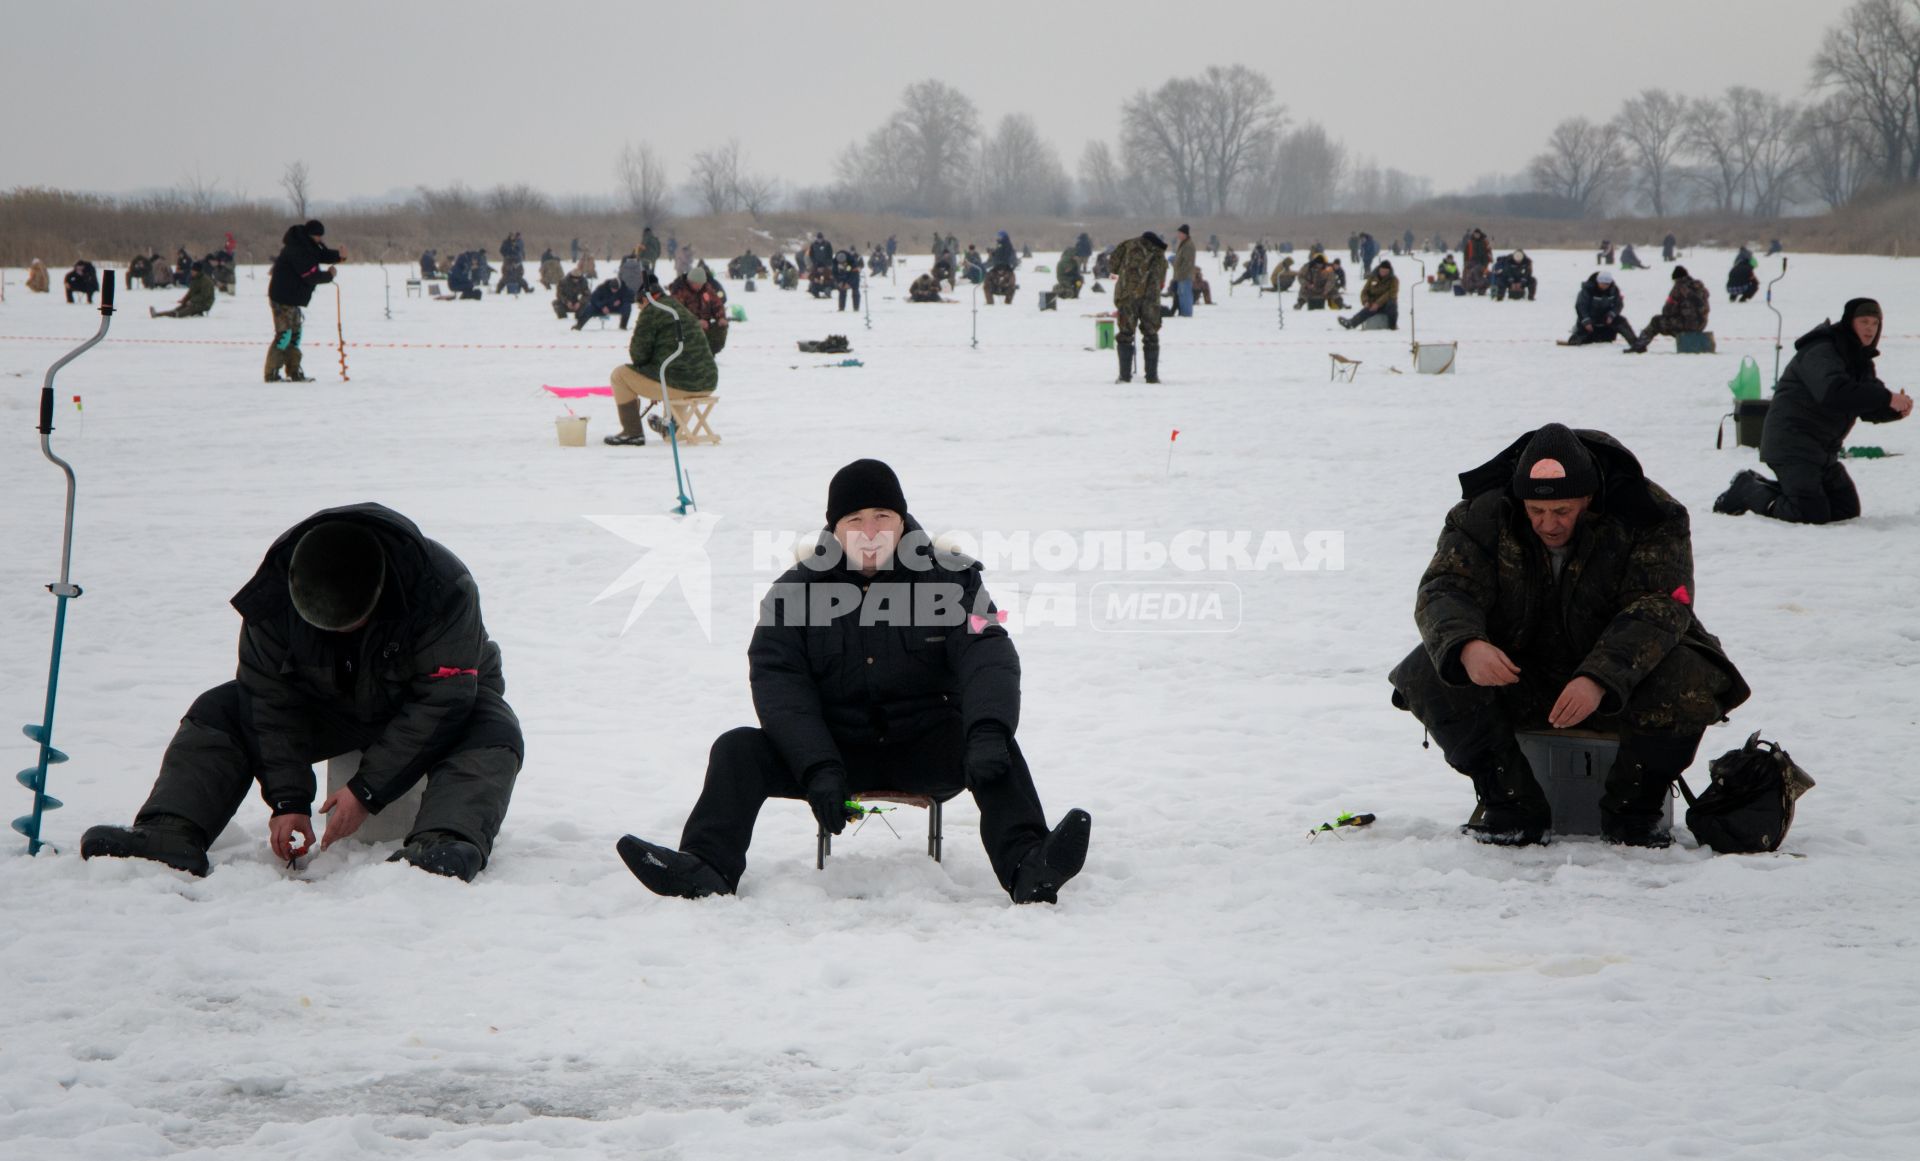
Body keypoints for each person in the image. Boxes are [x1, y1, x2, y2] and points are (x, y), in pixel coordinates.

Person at [614, 459, 1092, 903]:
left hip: (926, 745)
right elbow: (779, 681)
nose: (869, 532)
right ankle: (706, 868)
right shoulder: (794, 591)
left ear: (902, 521)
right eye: (854, 520)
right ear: (834, 529)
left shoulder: (951, 580)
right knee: (738, 748)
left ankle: (1029, 864)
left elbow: (988, 655)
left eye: (882, 515)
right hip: (831, 755)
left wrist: (987, 730)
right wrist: (817, 765)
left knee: (996, 744)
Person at [80, 505, 523, 881]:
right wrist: (288, 800)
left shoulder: (441, 587)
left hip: (435, 703)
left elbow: (444, 699)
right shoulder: (272, 596)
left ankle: (444, 842)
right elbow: (267, 700)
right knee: (222, 708)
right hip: (331, 703)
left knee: (492, 724)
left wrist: (367, 792)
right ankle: (169, 831)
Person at [1388, 424, 1750, 847]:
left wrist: (1599, 676)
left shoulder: (1649, 515)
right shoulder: (1481, 515)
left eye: (1562, 511)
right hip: (1522, 673)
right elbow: (1443, 589)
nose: (1548, 524)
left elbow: (1659, 607)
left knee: (1690, 673)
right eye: (1536, 512)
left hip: (1621, 682)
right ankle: (1509, 805)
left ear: (1589, 497)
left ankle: (1635, 811)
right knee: (1427, 668)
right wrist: (1469, 645)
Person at [1715, 298, 1913, 523]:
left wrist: (1894, 410)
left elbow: (1864, 405)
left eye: (1875, 323)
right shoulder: (1822, 350)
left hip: (1822, 452)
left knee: (1844, 511)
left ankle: (1782, 489)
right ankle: (1747, 489)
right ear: (1849, 322)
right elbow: (1834, 393)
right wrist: (1887, 397)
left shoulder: (1860, 359)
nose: (1870, 328)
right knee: (1809, 514)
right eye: (1864, 321)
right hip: (1792, 446)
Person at [603, 272, 718, 446]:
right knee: (671, 438)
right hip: (707, 382)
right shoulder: (679, 308)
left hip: (679, 383)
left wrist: (650, 377)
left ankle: (632, 432)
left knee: (619, 375)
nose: (640, 309)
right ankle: (671, 428)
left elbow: (638, 356)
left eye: (639, 306)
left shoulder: (651, 311)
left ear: (644, 300)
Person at [265, 221, 341, 382]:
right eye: (317, 236)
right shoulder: (297, 249)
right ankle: (271, 373)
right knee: (284, 335)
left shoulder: (308, 245)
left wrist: (339, 256)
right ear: (309, 235)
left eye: (321, 236)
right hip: (282, 297)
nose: (320, 239)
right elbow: (310, 275)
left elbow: (321, 255)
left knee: (295, 335)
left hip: (293, 299)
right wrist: (329, 275)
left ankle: (293, 371)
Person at [1110, 231, 1168, 384]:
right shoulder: (1160, 253)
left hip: (1127, 296)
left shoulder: (1127, 245)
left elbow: (1112, 266)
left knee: (1125, 334)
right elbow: (1162, 280)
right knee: (1151, 334)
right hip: (1151, 299)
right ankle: (1152, 377)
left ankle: (1124, 376)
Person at [1628, 266, 1709, 353]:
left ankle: (1639, 345)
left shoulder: (1679, 287)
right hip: (1701, 324)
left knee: (1656, 321)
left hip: (1687, 325)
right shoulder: (1700, 287)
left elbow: (1667, 310)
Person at [668, 266, 730, 355]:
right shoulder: (679, 291)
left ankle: (708, 354)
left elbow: (717, 304)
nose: (700, 286)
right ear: (690, 282)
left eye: (701, 284)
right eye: (697, 284)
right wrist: (696, 322)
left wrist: (721, 317)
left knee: (721, 327)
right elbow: (677, 314)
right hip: (684, 329)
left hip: (705, 326)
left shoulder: (707, 288)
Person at [1562, 270, 1635, 346]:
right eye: (1602, 283)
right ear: (1597, 281)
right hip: (1589, 318)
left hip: (1606, 319)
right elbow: (1581, 306)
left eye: (1607, 284)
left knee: (1621, 321)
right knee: (1581, 336)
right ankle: (1576, 339)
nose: (1604, 286)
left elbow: (1618, 304)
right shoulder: (1588, 290)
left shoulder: (1614, 290)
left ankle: (1635, 342)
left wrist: (1611, 315)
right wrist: (1586, 321)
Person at [1339, 260, 1399, 330]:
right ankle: (1351, 323)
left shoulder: (1393, 280)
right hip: (1373, 303)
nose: (1383, 273)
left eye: (1385, 271)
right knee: (1366, 310)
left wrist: (1378, 303)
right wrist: (1366, 301)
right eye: (1382, 270)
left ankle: (1392, 326)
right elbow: (1364, 291)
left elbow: (1391, 293)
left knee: (1392, 305)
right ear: (1379, 269)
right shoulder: (1372, 278)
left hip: (1386, 304)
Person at [151, 260, 216, 318]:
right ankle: (157, 314)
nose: (191, 272)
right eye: (191, 270)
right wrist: (184, 300)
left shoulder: (206, 281)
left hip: (205, 304)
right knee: (177, 309)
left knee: (182, 312)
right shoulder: (195, 279)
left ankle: (176, 315)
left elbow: (204, 296)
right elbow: (191, 292)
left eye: (193, 271)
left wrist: (192, 301)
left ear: (198, 271)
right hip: (195, 302)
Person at [1169, 224, 1196, 318]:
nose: (1178, 235)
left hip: (1185, 276)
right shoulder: (1183, 243)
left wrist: (1181, 274)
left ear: (1185, 234)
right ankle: (1183, 313)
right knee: (1181, 295)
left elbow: (1187, 262)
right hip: (1180, 275)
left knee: (1186, 295)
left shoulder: (1188, 245)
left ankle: (1186, 314)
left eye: (1180, 233)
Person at [834, 246, 863, 312]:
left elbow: (854, 275)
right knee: (842, 290)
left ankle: (856, 308)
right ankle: (841, 308)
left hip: (853, 277)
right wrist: (839, 282)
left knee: (855, 291)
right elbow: (835, 273)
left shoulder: (853, 262)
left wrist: (849, 283)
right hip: (842, 276)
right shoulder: (835, 262)